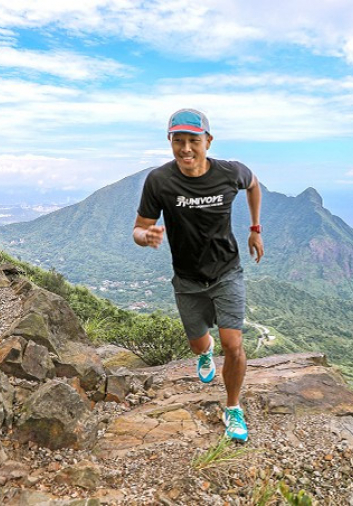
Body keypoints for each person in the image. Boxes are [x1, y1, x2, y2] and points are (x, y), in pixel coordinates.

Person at [132, 108, 263, 442]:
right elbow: (139, 228)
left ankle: (233, 407)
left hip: (227, 272)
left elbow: (253, 184)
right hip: (187, 279)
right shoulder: (159, 181)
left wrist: (255, 228)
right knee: (198, 343)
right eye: (178, 141)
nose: (186, 148)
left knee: (233, 345)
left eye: (193, 140)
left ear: (208, 141)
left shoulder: (229, 172)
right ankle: (204, 353)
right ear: (170, 142)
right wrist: (145, 237)